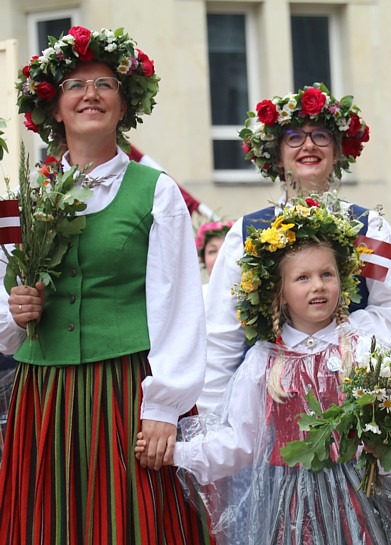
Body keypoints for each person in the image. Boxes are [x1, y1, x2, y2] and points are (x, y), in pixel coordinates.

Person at [0, 27, 212, 544]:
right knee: (47, 524)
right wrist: (18, 310)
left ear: (124, 108)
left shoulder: (155, 191)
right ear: (54, 109)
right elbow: (7, 310)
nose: (90, 93)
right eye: (75, 84)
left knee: (129, 524)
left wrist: (164, 407)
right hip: (43, 392)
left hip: (123, 388)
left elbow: (178, 304)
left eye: (105, 84)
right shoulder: (26, 195)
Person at [137, 198, 391, 544]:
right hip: (291, 508)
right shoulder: (264, 364)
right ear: (279, 294)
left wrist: (386, 449)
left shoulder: (365, 345)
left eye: (327, 274)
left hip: (365, 500)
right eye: (303, 277)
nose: (318, 286)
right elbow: (239, 443)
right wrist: (177, 452)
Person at [198, 83, 391, 413]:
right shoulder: (246, 233)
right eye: (294, 136)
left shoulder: (369, 228)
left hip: (352, 398)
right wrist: (211, 417)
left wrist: (333, 341)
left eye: (321, 135)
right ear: (277, 155)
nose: (308, 145)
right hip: (269, 399)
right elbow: (222, 335)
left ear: (336, 152)